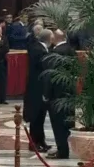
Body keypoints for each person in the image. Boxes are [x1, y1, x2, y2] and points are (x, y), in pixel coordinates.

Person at [43, 30, 75, 159]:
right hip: (69, 92)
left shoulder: (56, 53)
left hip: (57, 94)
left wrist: (46, 93)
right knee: (66, 123)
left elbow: (50, 75)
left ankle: (62, 151)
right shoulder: (70, 50)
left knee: (58, 124)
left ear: (55, 38)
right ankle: (65, 148)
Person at [24, 28, 53, 152]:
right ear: (49, 38)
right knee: (36, 117)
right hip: (36, 89)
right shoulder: (38, 50)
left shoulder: (43, 48)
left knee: (41, 116)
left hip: (41, 88)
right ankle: (34, 143)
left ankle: (41, 141)